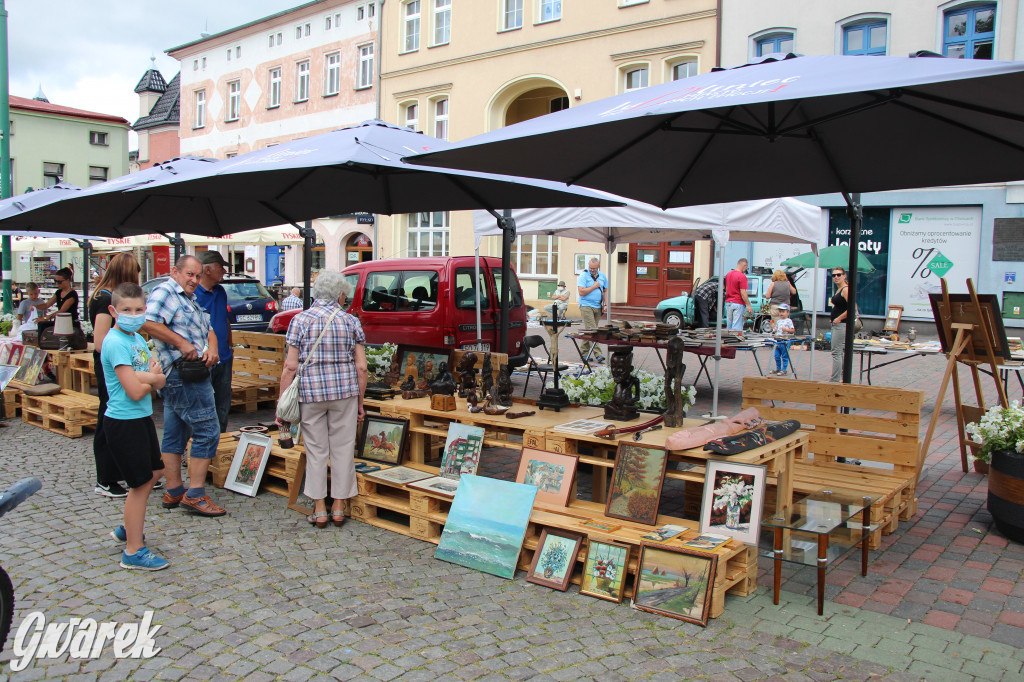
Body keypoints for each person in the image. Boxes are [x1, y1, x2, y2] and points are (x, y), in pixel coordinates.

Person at [279, 271, 367, 528]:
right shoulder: (351, 322)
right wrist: (360, 402)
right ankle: (338, 507)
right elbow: (361, 367)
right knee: (343, 449)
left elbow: (290, 366)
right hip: (344, 394)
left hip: (311, 393)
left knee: (316, 450)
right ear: (340, 294)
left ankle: (319, 510)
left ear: (316, 292)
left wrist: (282, 401)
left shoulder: (300, 320)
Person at [143, 254, 225, 518]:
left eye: (198, 275)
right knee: (208, 430)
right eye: (190, 274)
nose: (194, 280)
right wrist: (180, 343)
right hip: (183, 374)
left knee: (175, 433)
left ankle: (174, 489)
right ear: (175, 272)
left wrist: (212, 348)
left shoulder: (188, 298)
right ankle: (196, 494)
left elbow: (209, 328)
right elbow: (147, 322)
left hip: (190, 373)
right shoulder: (166, 291)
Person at [101, 282, 169, 571]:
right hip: (123, 421)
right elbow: (136, 390)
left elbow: (159, 376)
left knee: (155, 471)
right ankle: (133, 550)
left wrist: (151, 378)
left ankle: (129, 524)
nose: (134, 314)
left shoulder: (137, 339)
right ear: (113, 311)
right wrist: (150, 379)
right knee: (140, 484)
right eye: (127, 310)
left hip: (140, 418)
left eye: (139, 309)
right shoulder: (116, 341)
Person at [89, 252, 144, 498]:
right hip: (112, 367)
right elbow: (100, 341)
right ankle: (106, 477)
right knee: (108, 418)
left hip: (122, 364)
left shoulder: (106, 295)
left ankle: (130, 471)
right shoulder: (104, 299)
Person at [194, 251, 233, 433]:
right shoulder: (193, 294)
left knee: (222, 405)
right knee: (203, 406)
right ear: (208, 270)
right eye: (220, 267)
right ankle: (200, 446)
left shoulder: (220, 291)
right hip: (204, 359)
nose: (224, 271)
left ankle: (220, 443)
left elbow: (224, 319)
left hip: (224, 357)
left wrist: (230, 344)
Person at [577, 258, 608, 362]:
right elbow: (581, 292)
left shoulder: (602, 276)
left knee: (589, 330)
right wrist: (594, 286)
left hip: (598, 306)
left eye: (594, 268)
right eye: (590, 268)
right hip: (586, 305)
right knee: (593, 329)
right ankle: (598, 354)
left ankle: (583, 353)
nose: (592, 270)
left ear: (598, 267)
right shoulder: (583, 276)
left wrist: (606, 304)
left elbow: (606, 290)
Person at [36, 267, 80, 334]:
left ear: (68, 280)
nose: (57, 284)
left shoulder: (72, 294)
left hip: (71, 323)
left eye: (59, 282)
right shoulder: (58, 292)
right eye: (55, 281)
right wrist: (34, 306)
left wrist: (45, 318)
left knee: (43, 326)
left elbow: (61, 311)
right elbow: (47, 305)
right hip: (60, 322)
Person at [830, 267, 850, 383]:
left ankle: (835, 379)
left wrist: (838, 318)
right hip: (836, 324)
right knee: (838, 352)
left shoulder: (845, 290)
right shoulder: (838, 289)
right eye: (833, 275)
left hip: (842, 324)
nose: (836, 277)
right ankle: (841, 376)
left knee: (836, 352)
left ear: (844, 276)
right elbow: (840, 306)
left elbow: (853, 308)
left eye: (838, 275)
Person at [723, 259, 752, 331]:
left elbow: (726, 288)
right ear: (744, 265)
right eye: (746, 267)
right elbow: (743, 292)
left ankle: (728, 340)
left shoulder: (728, 274)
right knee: (737, 326)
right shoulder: (742, 276)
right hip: (738, 303)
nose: (746, 269)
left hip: (729, 302)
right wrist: (748, 305)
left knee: (729, 325)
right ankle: (735, 341)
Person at [771, 303, 795, 376]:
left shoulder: (789, 321)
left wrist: (786, 329)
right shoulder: (778, 321)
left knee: (784, 356)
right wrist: (773, 328)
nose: (781, 313)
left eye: (783, 311)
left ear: (788, 312)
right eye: (780, 311)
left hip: (785, 340)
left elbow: (793, 330)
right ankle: (778, 368)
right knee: (777, 355)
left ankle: (784, 369)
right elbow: (776, 329)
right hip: (778, 340)